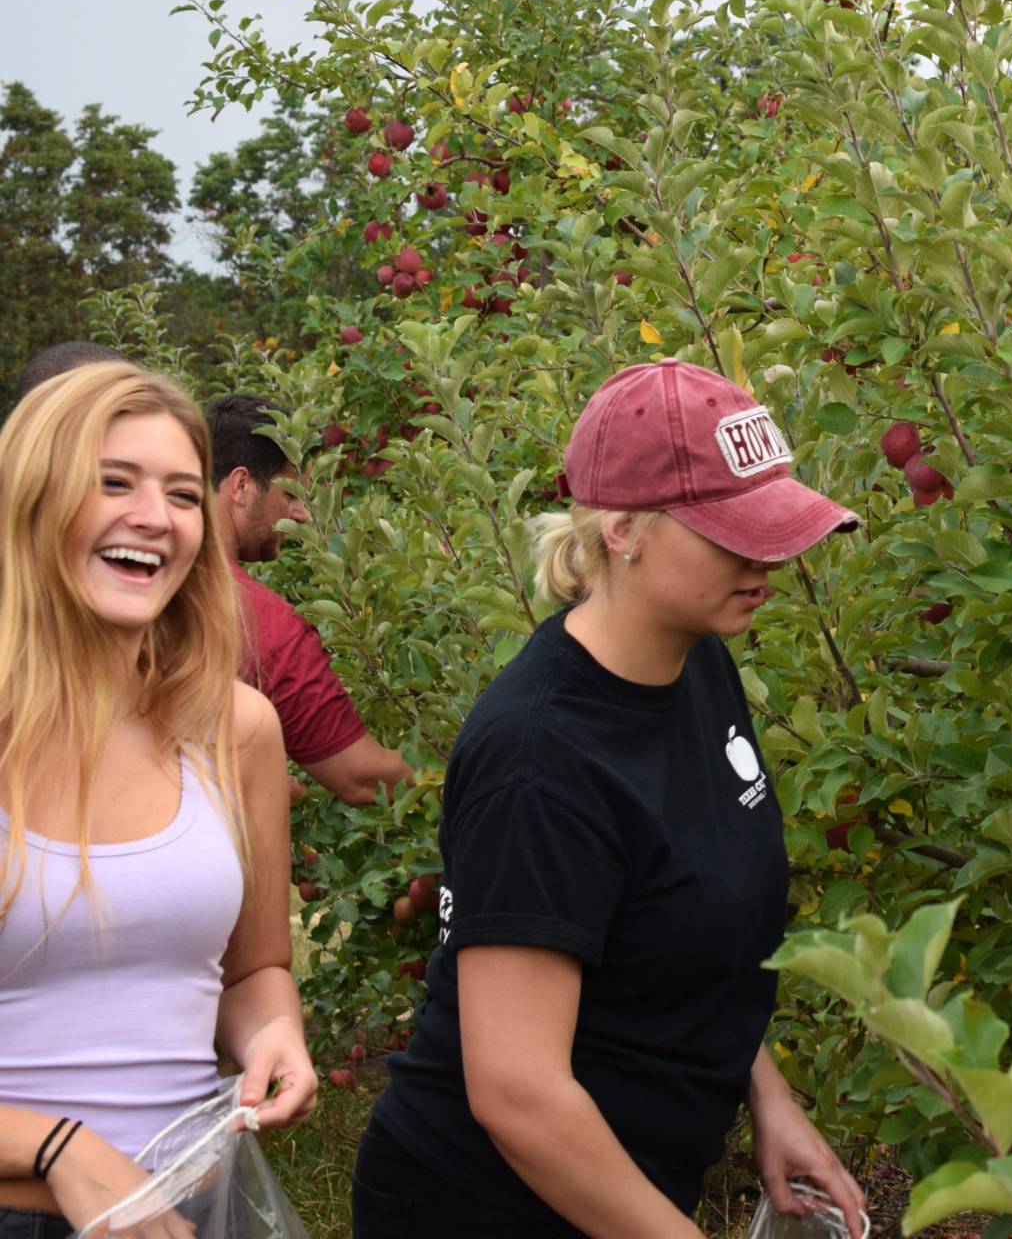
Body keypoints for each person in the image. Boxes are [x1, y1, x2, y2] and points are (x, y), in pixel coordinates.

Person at [355, 359, 868, 1238]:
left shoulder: (696, 659)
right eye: (731, 534)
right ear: (623, 529)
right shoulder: (541, 759)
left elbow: (680, 933)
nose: (768, 558)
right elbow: (518, 1093)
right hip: (490, 1206)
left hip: (621, 1188)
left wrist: (769, 1099)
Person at [0, 362, 314, 1235]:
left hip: (191, 1204)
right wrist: (57, 1147)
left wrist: (271, 1037)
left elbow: (253, 971)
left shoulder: (235, 730)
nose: (155, 518)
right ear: (32, 499)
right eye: (113, 483)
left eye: (182, 493)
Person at [205, 394, 412, 806]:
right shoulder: (261, 625)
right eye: (291, 495)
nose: (300, 514)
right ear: (242, 486)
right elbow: (363, 777)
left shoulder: (126, 584)